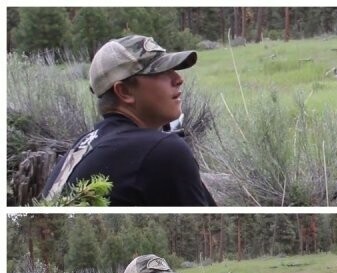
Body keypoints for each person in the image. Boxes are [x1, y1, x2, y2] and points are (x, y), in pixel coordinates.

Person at [43, 34, 216, 206]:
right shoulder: (161, 150)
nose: (179, 79)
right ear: (124, 92)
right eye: (161, 71)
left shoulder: (84, 145)